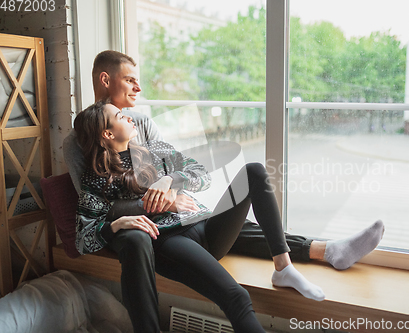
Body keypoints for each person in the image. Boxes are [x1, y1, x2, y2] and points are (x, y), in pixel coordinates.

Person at [63, 50, 385, 272]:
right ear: (106, 81)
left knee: (234, 211)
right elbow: (97, 205)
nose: (139, 87)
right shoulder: (76, 142)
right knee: (223, 221)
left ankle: (325, 250)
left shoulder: (142, 122)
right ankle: (324, 251)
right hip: (140, 233)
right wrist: (158, 203)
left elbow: (176, 166)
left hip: (175, 211)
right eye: (130, 79)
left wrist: (171, 185)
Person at [74, 100, 327, 333]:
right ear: (107, 133)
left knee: (254, 172)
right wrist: (119, 223)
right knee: (237, 297)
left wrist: (169, 179)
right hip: (168, 240)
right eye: (120, 115)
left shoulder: (154, 149)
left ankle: (283, 267)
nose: (129, 117)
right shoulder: (97, 177)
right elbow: (83, 237)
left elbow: (201, 173)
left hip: (204, 224)